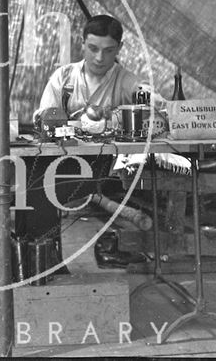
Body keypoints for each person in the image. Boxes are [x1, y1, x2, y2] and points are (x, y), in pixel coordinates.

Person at [17, 14, 159, 270]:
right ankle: (37, 262)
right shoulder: (64, 77)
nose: (99, 58)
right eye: (93, 48)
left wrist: (117, 115)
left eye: (108, 50)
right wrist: (57, 120)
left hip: (97, 166)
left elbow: (157, 106)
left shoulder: (126, 80)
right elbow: (43, 116)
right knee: (27, 180)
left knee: (37, 189)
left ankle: (42, 265)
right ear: (82, 43)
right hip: (57, 159)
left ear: (120, 48)